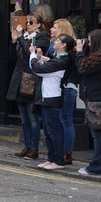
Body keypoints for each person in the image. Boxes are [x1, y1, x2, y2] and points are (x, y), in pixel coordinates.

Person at [30, 34, 76, 171]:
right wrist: (40, 59)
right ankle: (51, 158)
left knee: (54, 131)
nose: (54, 42)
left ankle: (58, 160)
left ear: (63, 45)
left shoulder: (63, 60)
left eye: (57, 41)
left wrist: (33, 56)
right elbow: (44, 69)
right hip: (46, 97)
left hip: (52, 98)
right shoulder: (57, 59)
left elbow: (37, 70)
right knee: (49, 132)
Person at [7, 13, 49, 160]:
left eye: (32, 22)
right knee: (23, 118)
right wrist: (13, 41)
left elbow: (30, 53)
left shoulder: (42, 37)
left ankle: (34, 148)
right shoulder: (23, 37)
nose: (29, 24)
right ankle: (27, 145)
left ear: (38, 25)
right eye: (27, 22)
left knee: (33, 118)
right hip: (19, 78)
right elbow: (11, 58)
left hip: (32, 79)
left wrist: (19, 38)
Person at [75, 29, 101, 176]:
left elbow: (83, 69)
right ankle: (96, 165)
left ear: (97, 42)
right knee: (97, 134)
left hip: (98, 100)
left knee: (98, 135)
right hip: (93, 98)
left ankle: (97, 167)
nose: (88, 44)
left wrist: (79, 52)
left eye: (90, 41)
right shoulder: (97, 57)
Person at [48, 18, 79, 164]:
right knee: (60, 120)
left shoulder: (70, 49)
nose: (51, 29)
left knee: (65, 119)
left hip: (67, 86)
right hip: (58, 87)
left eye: (55, 27)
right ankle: (60, 151)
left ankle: (67, 152)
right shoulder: (54, 45)